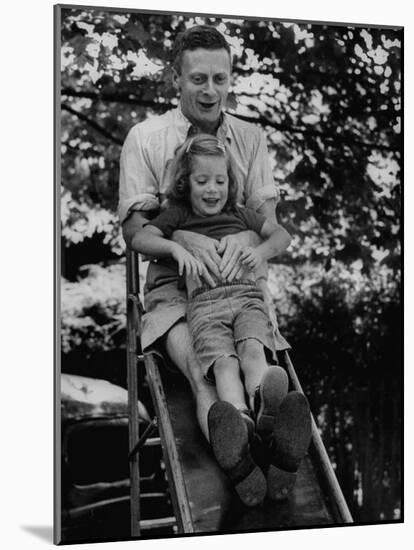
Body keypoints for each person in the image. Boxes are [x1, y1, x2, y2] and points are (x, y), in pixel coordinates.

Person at [119, 24, 310, 505]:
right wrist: (180, 237)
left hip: (237, 285)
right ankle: (242, 459)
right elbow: (137, 231)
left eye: (220, 79)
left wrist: (251, 243)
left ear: (230, 79)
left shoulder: (249, 138)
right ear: (176, 79)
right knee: (207, 374)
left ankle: (272, 437)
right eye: (198, 78)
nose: (210, 91)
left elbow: (267, 224)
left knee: (252, 357)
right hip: (175, 293)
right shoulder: (146, 138)